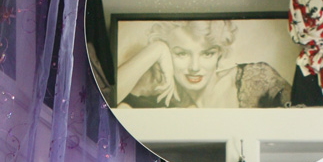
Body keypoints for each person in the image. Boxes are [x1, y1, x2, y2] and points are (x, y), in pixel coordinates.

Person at [115, 19, 292, 109]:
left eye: (207, 54)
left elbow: (304, 117)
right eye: (181, 54)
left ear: (220, 53)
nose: (194, 67)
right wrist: (157, 49)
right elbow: (107, 100)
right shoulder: (164, 98)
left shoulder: (255, 79)